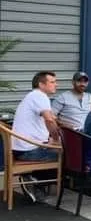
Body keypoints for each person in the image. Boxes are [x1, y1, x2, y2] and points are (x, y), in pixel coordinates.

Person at [10, 71, 61, 202]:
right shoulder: (40, 96)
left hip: (23, 148)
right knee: (68, 154)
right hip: (29, 151)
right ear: (41, 84)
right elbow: (49, 120)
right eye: (53, 82)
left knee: (56, 149)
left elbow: (51, 119)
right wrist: (56, 139)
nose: (57, 85)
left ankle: (33, 178)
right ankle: (35, 181)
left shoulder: (32, 97)